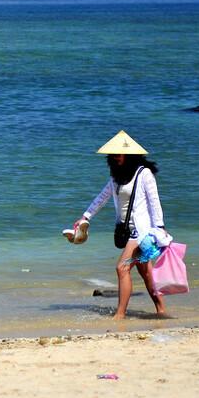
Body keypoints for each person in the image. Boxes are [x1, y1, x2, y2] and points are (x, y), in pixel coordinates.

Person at [69, 130, 173, 321]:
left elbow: (154, 202)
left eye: (119, 154)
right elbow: (102, 198)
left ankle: (120, 314)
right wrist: (85, 217)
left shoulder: (144, 174)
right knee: (145, 272)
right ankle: (161, 310)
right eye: (113, 155)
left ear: (129, 155)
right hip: (127, 232)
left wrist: (160, 227)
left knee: (122, 268)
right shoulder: (116, 177)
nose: (115, 157)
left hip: (142, 232)